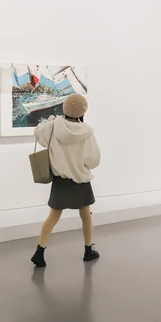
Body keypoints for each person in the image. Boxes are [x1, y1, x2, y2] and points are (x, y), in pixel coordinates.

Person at [30, 93, 101, 267]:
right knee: (86, 216)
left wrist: (49, 121)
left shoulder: (53, 126)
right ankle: (88, 250)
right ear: (83, 111)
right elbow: (94, 160)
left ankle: (39, 252)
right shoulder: (87, 132)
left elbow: (38, 134)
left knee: (53, 216)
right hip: (81, 180)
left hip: (61, 181)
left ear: (64, 108)